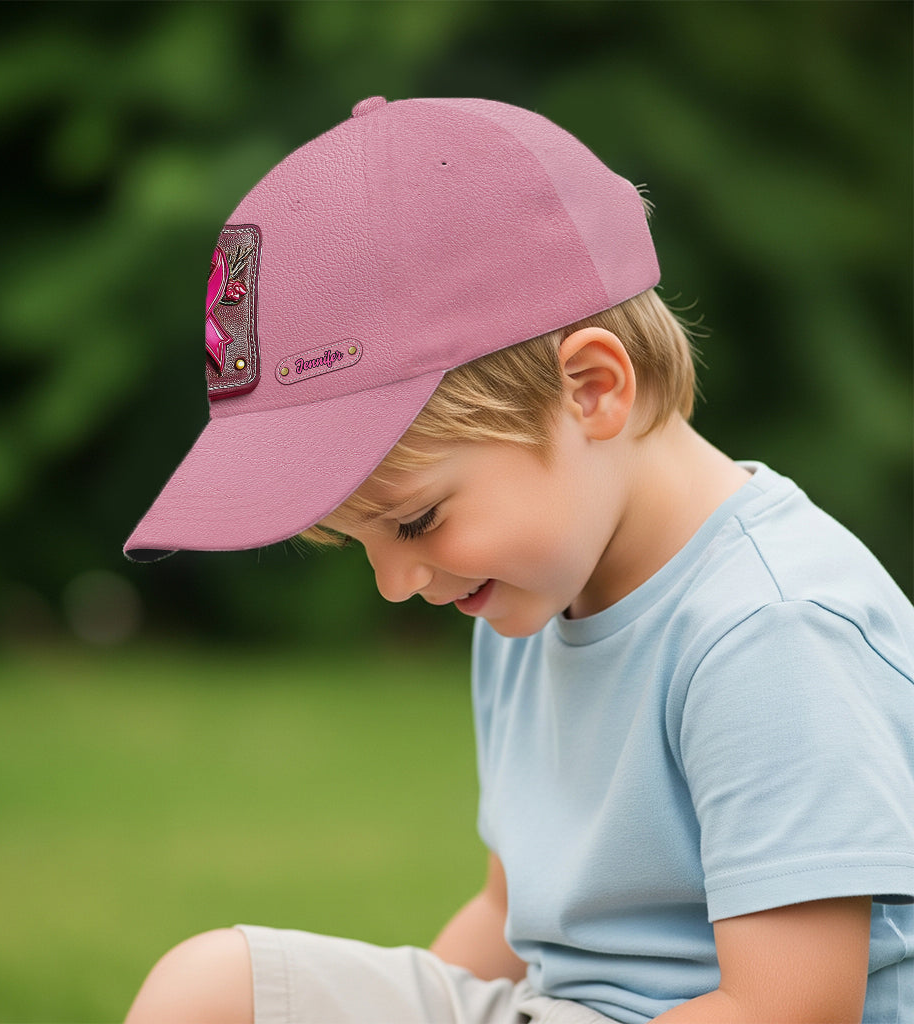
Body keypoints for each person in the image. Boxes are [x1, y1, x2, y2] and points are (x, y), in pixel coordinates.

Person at [122, 97, 914, 1023]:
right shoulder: (526, 597)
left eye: (416, 521)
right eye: (361, 542)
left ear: (591, 390)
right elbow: (510, 915)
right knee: (212, 990)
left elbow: (789, 1008)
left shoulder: (770, 630)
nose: (396, 585)